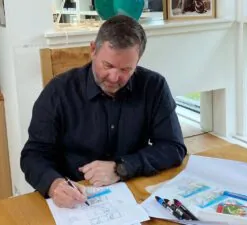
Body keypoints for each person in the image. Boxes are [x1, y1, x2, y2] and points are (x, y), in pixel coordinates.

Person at [20, 15, 187, 209]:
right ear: (93, 50)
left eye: (126, 69)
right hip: (75, 198)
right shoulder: (58, 91)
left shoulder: (154, 86)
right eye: (107, 66)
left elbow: (173, 147)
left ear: (138, 60)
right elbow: (33, 155)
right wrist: (53, 185)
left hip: (133, 193)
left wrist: (122, 167)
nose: (114, 77)